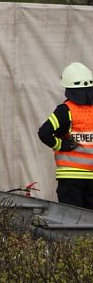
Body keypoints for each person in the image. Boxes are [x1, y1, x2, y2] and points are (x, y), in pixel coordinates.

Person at [38, 62, 93, 208]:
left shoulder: (65, 111)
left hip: (70, 178)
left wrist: (61, 145)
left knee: (72, 221)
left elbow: (44, 133)